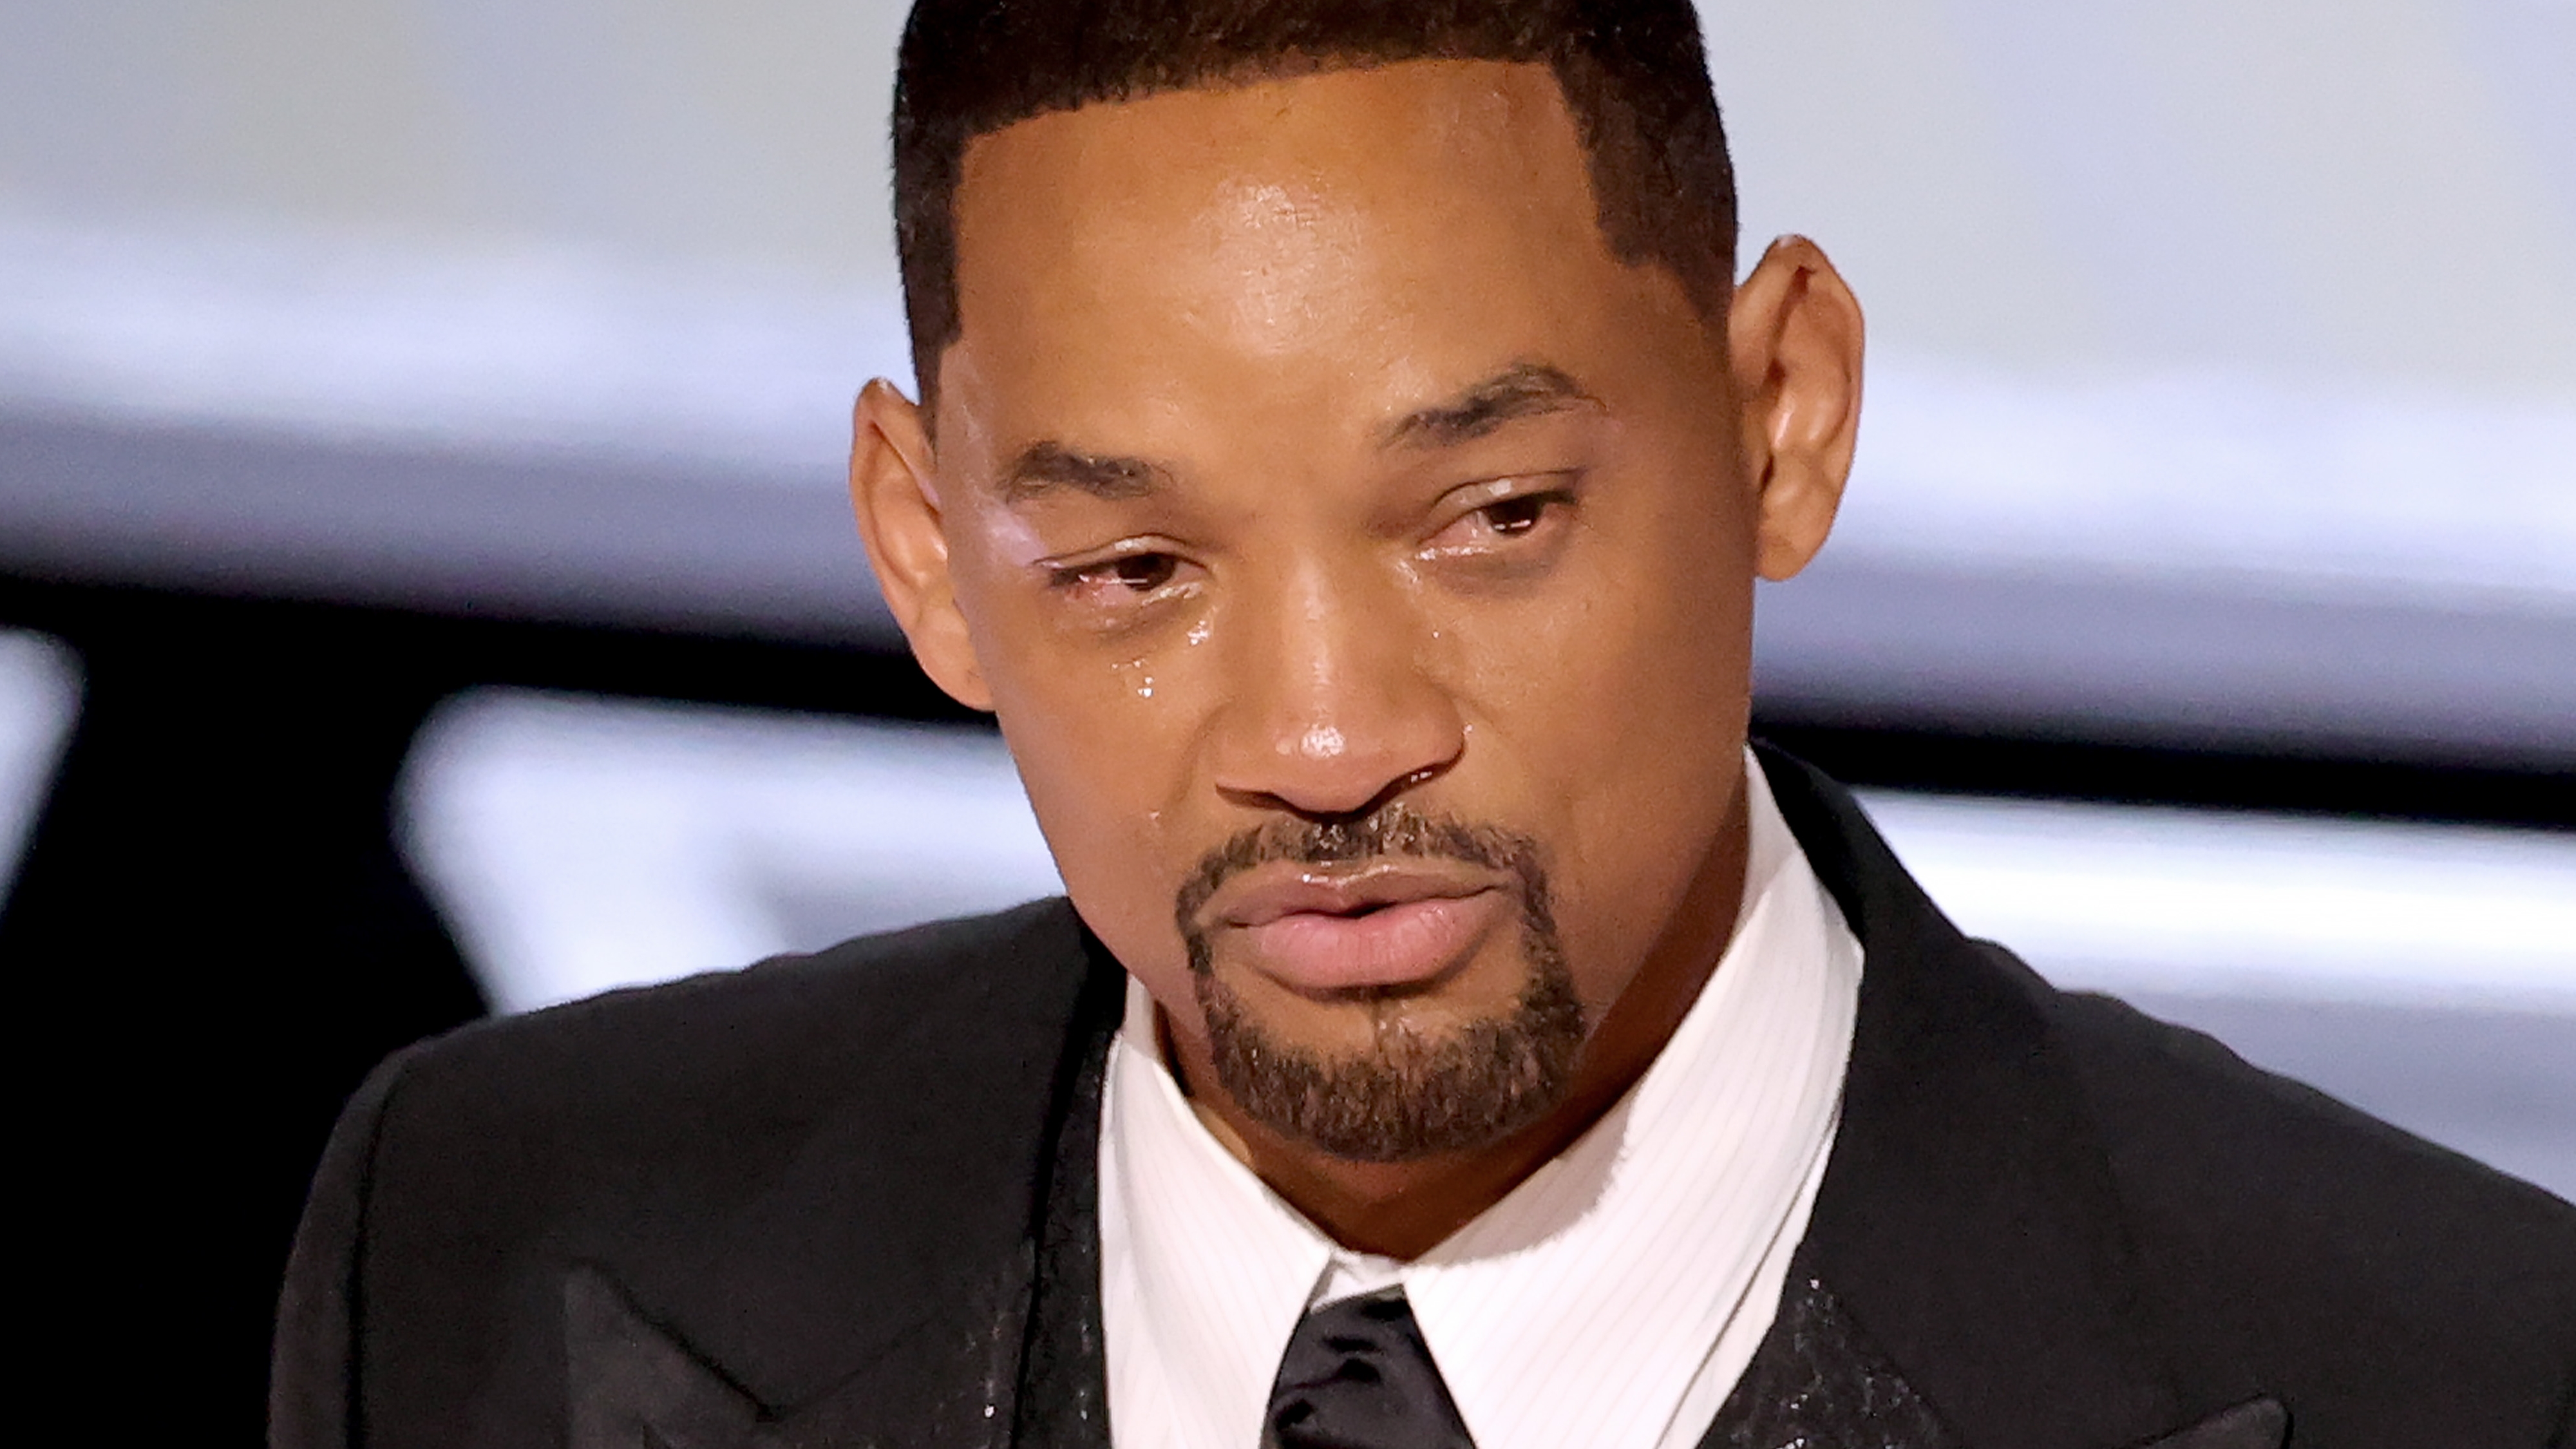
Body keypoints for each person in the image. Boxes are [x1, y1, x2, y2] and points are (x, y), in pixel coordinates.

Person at [270, 3, 2576, 1446]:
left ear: (1783, 418)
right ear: (923, 548)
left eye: (1487, 518)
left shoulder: (2463, 1373)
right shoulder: (486, 1246)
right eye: (1135, 573)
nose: (1329, 736)